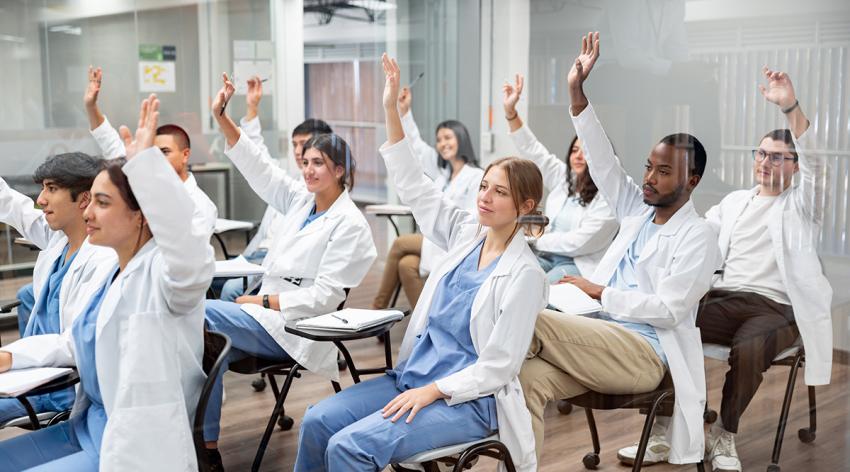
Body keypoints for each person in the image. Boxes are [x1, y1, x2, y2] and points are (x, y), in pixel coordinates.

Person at [293, 53, 548, 472]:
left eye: (498, 192)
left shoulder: (525, 275)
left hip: (467, 400)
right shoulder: (467, 233)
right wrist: (390, 108)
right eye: (484, 187)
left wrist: (433, 392)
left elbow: (498, 367)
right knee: (318, 421)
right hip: (411, 377)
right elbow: (414, 184)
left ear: (526, 204)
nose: (484, 196)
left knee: (349, 447)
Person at [617, 68, 832, 472]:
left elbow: (820, 165)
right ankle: (662, 431)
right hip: (723, 296)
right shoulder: (733, 203)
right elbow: (696, 236)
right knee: (668, 326)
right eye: (762, 154)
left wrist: (789, 106)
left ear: (796, 167)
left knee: (750, 348)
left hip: (775, 308)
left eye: (779, 157)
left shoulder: (804, 207)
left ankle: (724, 435)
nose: (766, 162)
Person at [518, 32, 718, 466]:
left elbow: (668, 310)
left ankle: (442, 392)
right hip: (600, 334)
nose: (650, 177)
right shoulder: (636, 213)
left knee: (524, 317)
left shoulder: (699, 236)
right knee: (525, 379)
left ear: (692, 181)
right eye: (649, 166)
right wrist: (576, 93)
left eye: (664, 172)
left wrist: (600, 293)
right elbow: (603, 160)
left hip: (645, 352)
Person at [0, 94, 215, 471]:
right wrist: (12, 356)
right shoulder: (118, 273)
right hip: (88, 423)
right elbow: (74, 339)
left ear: (140, 216)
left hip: (133, 442)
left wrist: (148, 169)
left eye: (101, 202)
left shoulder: (168, 279)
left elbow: (190, 244)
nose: (89, 212)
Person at [201, 73, 377, 469]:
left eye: (320, 164)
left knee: (202, 315)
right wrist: (221, 115)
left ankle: (198, 442)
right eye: (307, 162)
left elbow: (324, 299)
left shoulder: (350, 224)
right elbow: (257, 166)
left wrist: (260, 299)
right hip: (264, 317)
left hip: (297, 328)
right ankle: (205, 448)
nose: (309, 170)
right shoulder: (301, 200)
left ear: (341, 170)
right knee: (200, 350)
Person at [0, 152, 116, 428]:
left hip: (56, 389)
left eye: (51, 189)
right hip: (28, 371)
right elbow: (13, 205)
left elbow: (77, 343)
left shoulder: (104, 262)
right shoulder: (58, 241)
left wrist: (10, 356)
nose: (41, 200)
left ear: (84, 199)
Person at [216, 76, 334, 302]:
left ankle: (229, 336)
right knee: (203, 279)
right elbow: (256, 157)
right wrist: (251, 108)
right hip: (253, 255)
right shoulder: (289, 181)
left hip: (275, 265)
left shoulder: (320, 195)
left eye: (306, 144)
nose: (299, 151)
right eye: (295, 145)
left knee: (231, 290)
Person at [371, 87, 483, 310]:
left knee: (400, 243)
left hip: (456, 242)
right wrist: (404, 112)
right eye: (439, 140)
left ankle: (376, 310)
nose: (442, 144)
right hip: (436, 240)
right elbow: (416, 147)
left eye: (448, 137)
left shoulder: (477, 176)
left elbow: (473, 222)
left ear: (461, 138)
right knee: (406, 265)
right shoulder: (443, 176)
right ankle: (424, 321)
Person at [503, 73, 618, 281]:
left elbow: (580, 242)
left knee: (542, 289)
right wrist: (511, 113)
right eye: (575, 150)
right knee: (510, 274)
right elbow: (533, 150)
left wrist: (537, 240)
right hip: (546, 255)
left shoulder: (609, 198)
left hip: (578, 264)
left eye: (586, 151)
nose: (579, 156)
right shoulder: (565, 179)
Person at [84, 66, 217, 233]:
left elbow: (186, 252)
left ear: (185, 155)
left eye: (165, 152)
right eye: (152, 152)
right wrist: (91, 106)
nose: (158, 158)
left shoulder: (199, 205)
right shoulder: (143, 179)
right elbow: (109, 141)